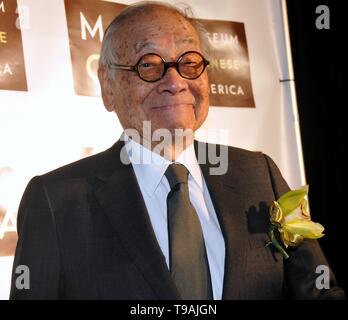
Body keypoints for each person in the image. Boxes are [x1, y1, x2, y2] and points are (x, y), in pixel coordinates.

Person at [10, 1, 344, 300]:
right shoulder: (56, 200)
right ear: (108, 87)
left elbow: (319, 292)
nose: (175, 81)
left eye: (189, 61)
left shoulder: (258, 174)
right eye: (149, 65)